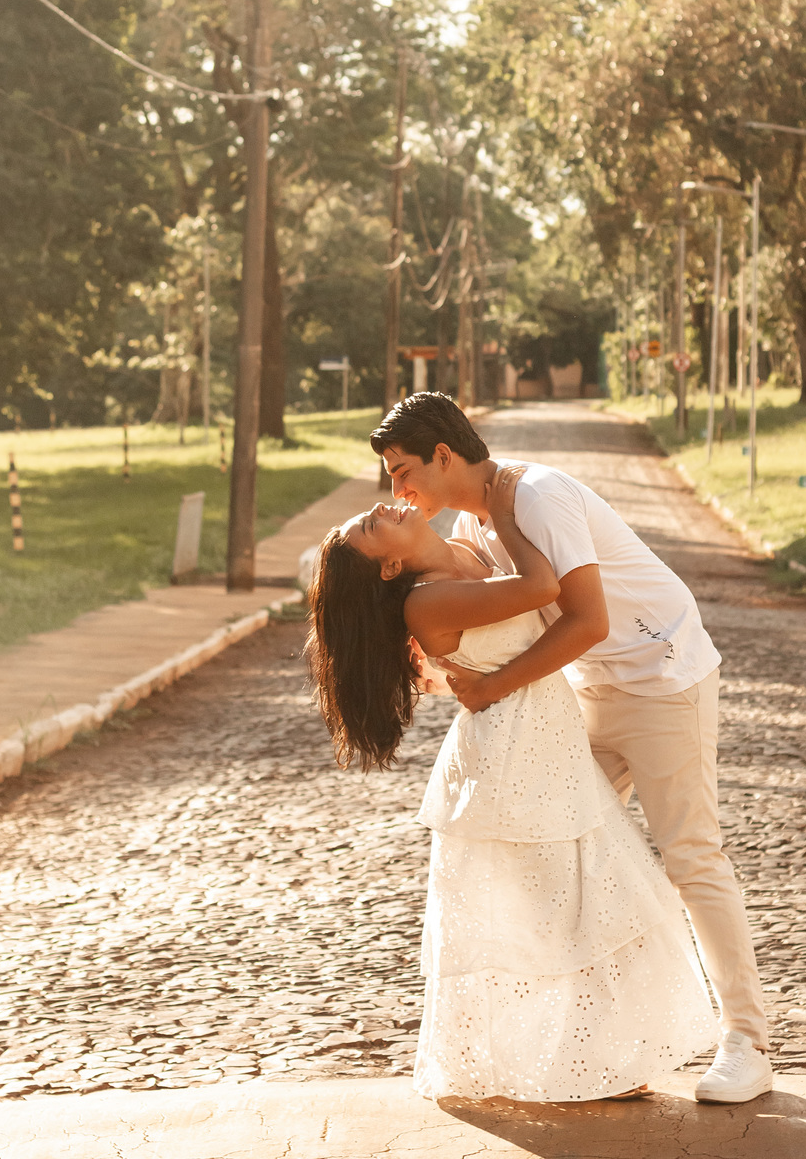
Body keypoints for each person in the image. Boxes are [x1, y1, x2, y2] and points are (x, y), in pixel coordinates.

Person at [369, 391, 774, 1107]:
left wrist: (491, 691)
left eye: (403, 472)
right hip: (584, 695)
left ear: (442, 454)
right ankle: (608, 1050)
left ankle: (747, 1041)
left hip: (662, 678)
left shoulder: (541, 494)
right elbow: (475, 616)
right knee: (564, 862)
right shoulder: (475, 518)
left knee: (690, 854)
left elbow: (586, 619)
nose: (397, 490)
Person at [306, 468, 719, 1103]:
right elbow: (542, 587)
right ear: (387, 569)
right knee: (561, 913)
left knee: (599, 903)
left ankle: (602, 1058)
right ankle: (572, 1063)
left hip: (550, 744)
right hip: (513, 758)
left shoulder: (464, 557)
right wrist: (503, 511)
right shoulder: (426, 601)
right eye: (373, 525)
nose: (387, 506)